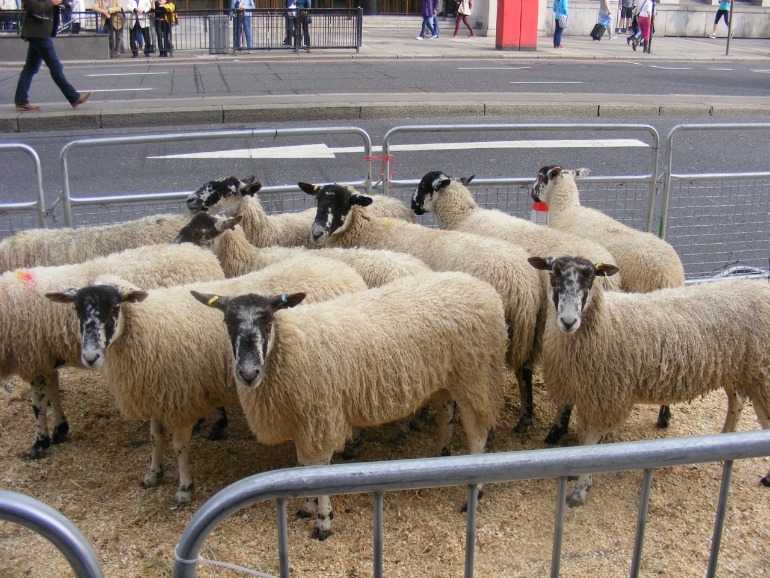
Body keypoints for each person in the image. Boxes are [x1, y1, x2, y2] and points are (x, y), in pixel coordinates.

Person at [13, 0, 92, 111]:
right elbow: (34, 7)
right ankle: (74, 97)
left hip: (42, 32)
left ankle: (21, 101)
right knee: (56, 67)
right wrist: (52, 2)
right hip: (39, 33)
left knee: (30, 69)